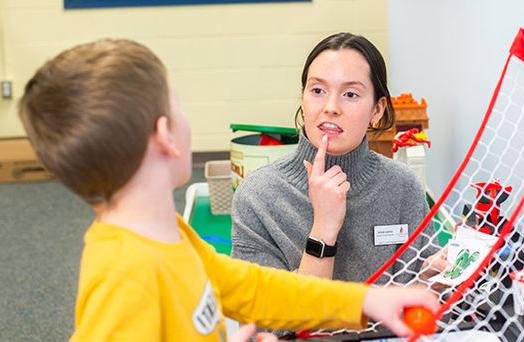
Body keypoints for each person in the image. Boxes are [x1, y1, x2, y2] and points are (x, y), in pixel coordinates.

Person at [18, 38, 439, 341]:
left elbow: (256, 289)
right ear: (166, 134)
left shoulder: (173, 238)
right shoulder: (125, 275)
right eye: (178, 103)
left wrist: (364, 303)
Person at [231, 32, 447, 283]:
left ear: (377, 110)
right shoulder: (256, 197)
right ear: (302, 99)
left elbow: (417, 296)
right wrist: (324, 227)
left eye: (351, 94)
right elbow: (267, 320)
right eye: (318, 90)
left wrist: (430, 281)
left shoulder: (403, 187)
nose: (331, 107)